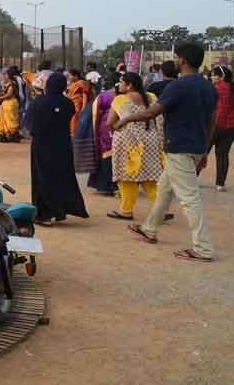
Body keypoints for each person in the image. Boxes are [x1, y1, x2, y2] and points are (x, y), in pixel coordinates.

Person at [115, 41, 216, 262]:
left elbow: (152, 112)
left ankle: (203, 248)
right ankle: (149, 228)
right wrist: (205, 151)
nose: (175, 61)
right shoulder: (208, 86)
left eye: (177, 57)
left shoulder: (178, 86)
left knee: (190, 198)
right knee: (164, 189)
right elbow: (212, 121)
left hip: (180, 147)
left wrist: (126, 119)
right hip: (195, 147)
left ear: (183, 61)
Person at [30, 72, 90, 226]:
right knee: (61, 177)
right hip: (63, 145)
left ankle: (44, 214)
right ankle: (59, 210)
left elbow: (33, 127)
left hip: (42, 146)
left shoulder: (39, 103)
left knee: (42, 177)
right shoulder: (67, 103)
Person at [107, 72, 167, 220]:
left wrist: (117, 127)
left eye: (122, 82)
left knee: (127, 176)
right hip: (150, 140)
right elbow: (160, 119)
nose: (119, 85)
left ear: (129, 85)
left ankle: (126, 211)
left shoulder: (120, 99)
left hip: (127, 142)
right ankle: (160, 211)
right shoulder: (152, 97)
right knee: (150, 177)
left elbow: (110, 122)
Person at [209, 65, 234, 192]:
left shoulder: (216, 89)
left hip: (215, 126)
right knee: (223, 155)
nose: (211, 77)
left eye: (214, 75)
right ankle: (220, 184)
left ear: (222, 76)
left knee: (201, 153)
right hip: (231, 128)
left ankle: (192, 178)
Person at [86, 75, 118, 196]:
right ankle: (113, 185)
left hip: (106, 129)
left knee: (107, 156)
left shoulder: (104, 96)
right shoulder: (129, 96)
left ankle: (106, 185)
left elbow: (96, 114)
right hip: (114, 129)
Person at [0, 67, 21, 142]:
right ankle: (6, 135)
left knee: (10, 120)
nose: (3, 76)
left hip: (10, 103)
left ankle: (11, 135)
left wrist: (0, 98)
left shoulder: (11, 83)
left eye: (5, 75)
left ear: (9, 75)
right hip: (6, 103)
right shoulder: (7, 84)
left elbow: (9, 94)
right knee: (5, 119)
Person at [66, 68, 92, 136]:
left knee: (75, 121)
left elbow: (85, 95)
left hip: (78, 105)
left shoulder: (81, 82)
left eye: (70, 75)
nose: (68, 77)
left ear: (76, 76)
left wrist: (83, 108)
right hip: (72, 105)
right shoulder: (72, 84)